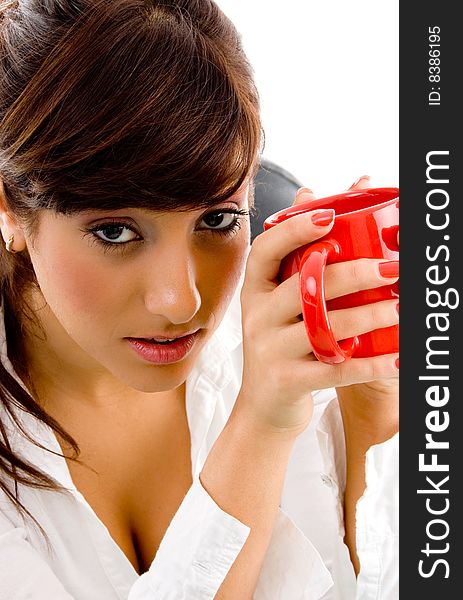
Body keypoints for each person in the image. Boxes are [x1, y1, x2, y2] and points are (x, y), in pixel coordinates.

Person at [0, 1, 399, 598]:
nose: (181, 301)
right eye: (114, 231)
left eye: (217, 220)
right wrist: (258, 429)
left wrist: (376, 411)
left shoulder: (281, 334)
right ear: (8, 209)